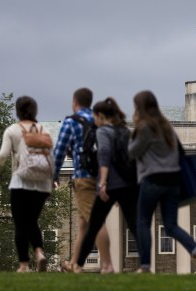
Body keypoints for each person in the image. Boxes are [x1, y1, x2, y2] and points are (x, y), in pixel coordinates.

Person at [128, 90, 196, 273]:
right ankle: (195, 249)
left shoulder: (146, 127)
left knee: (142, 221)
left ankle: (145, 265)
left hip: (153, 180)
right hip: (173, 182)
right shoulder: (167, 127)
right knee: (171, 226)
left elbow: (132, 152)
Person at [73, 97, 139, 273]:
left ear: (100, 115)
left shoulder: (103, 131)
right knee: (134, 225)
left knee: (93, 226)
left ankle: (78, 266)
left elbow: (104, 155)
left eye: (95, 117)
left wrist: (102, 182)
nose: (95, 120)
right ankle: (146, 264)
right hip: (129, 186)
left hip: (111, 186)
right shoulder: (125, 131)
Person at [53, 88, 113, 273]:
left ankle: (107, 264)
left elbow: (59, 151)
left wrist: (53, 175)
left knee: (96, 222)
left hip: (84, 177)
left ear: (75, 102)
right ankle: (75, 264)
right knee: (83, 223)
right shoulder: (101, 121)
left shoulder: (71, 122)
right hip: (102, 176)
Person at [0, 96, 51, 272]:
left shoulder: (12, 130)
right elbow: (51, 157)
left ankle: (24, 265)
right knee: (32, 220)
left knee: (20, 224)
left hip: (20, 181)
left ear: (17, 111)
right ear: (35, 111)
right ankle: (39, 252)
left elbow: (3, 154)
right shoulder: (43, 130)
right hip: (42, 183)